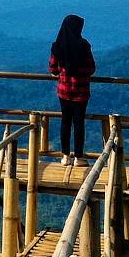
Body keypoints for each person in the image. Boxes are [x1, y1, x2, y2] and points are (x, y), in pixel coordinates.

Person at [48, 14, 96, 167]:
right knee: (79, 123)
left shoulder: (57, 46)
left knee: (65, 122)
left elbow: (52, 68)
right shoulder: (84, 46)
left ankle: (65, 156)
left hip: (64, 91)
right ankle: (79, 157)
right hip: (81, 92)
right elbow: (91, 68)